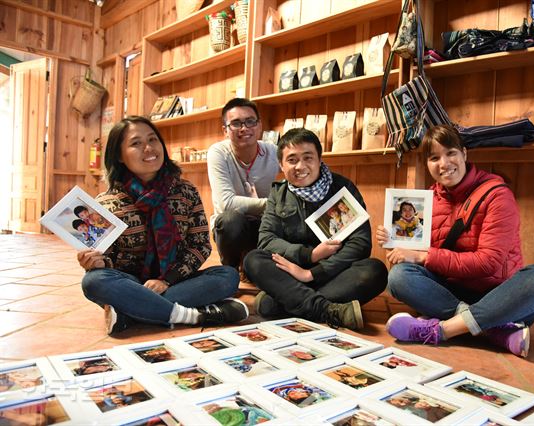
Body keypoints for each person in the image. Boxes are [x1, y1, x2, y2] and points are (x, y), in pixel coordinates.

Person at [377, 125, 534, 357]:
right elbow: (418, 258)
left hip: (498, 295)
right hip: (451, 294)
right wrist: (397, 245)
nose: (444, 164)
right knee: (399, 276)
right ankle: (495, 329)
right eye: (434, 158)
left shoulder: (497, 194)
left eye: (450, 153)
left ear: (464, 153)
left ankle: (441, 330)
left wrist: (424, 256)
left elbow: (489, 262)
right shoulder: (427, 201)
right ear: (427, 164)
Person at [77, 116, 248, 336]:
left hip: (176, 280)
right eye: (136, 143)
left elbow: (200, 245)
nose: (148, 148)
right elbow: (108, 259)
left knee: (228, 276)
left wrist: (166, 280)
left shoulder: (185, 192)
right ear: (119, 156)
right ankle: (193, 316)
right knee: (93, 281)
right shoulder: (105, 204)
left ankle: (129, 312)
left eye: (152, 139)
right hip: (132, 282)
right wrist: (94, 262)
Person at [243, 128, 388, 330]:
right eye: (292, 160)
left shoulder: (343, 189)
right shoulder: (279, 194)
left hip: (332, 273)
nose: (300, 166)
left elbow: (360, 243)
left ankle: (283, 302)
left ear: (319, 159)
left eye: (308, 158)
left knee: (374, 271)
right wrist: (308, 256)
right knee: (254, 260)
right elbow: (267, 239)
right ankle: (327, 310)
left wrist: (312, 274)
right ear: (281, 165)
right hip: (291, 271)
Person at [207, 98, 279, 270]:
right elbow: (227, 203)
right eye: (236, 123)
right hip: (231, 228)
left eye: (250, 121)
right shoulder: (218, 153)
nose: (244, 128)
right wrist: (273, 204)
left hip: (264, 224)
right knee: (231, 219)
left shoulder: (274, 152)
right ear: (225, 130)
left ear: (259, 125)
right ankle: (229, 271)